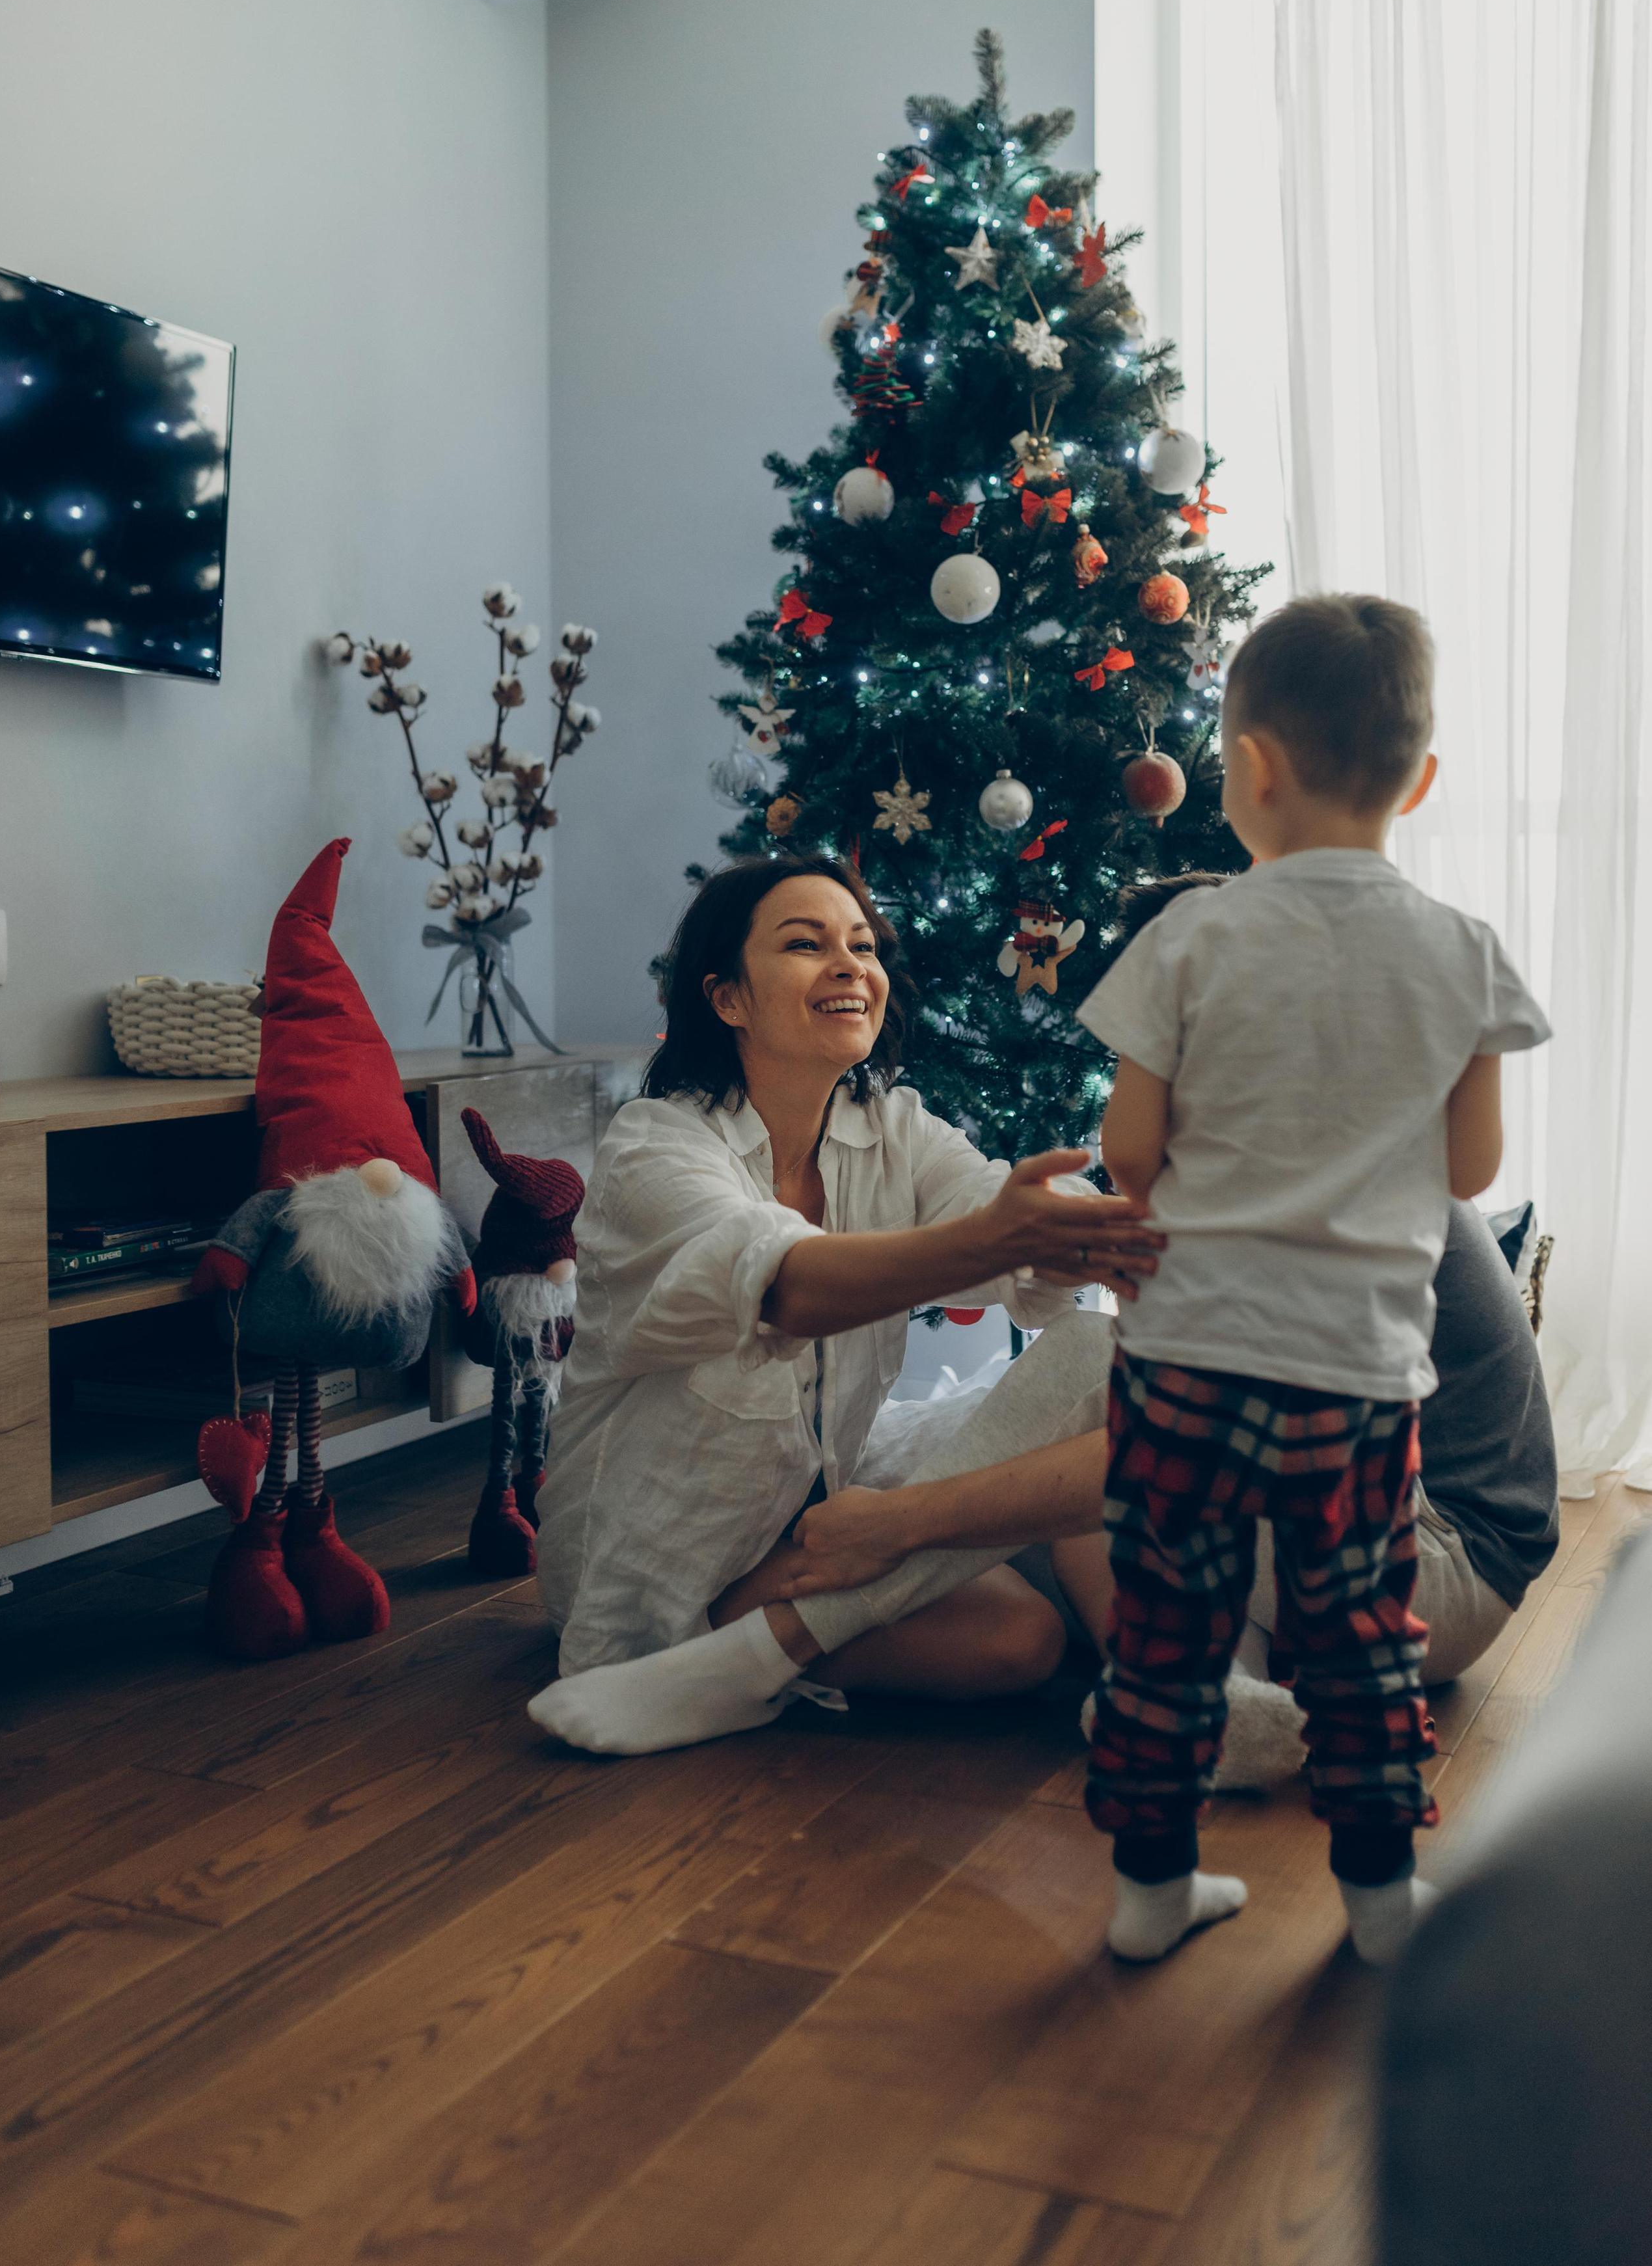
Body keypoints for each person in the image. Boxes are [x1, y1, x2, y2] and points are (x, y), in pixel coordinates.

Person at [1079, 594, 1550, 1967]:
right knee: (1354, 1630)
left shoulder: (1186, 938)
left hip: (1184, 1359)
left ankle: (1150, 1890)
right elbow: (1468, 1169)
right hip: (1352, 1370)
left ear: (1251, 765)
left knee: (1169, 1621)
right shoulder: (1463, 955)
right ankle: (1381, 1900)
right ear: (1419, 779)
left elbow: (1126, 1152)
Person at [526, 853, 1159, 1757]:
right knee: (1017, 1601)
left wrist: (1109, 1229)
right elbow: (789, 1287)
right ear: (728, 998)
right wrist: (1001, 1239)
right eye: (804, 942)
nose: (850, 964)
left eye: (862, 944)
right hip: (659, 1565)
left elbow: (998, 1209)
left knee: (1023, 1635)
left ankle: (749, 1663)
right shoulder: (653, 1148)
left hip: (817, 1512)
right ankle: (685, 1655)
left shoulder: (890, 1126)